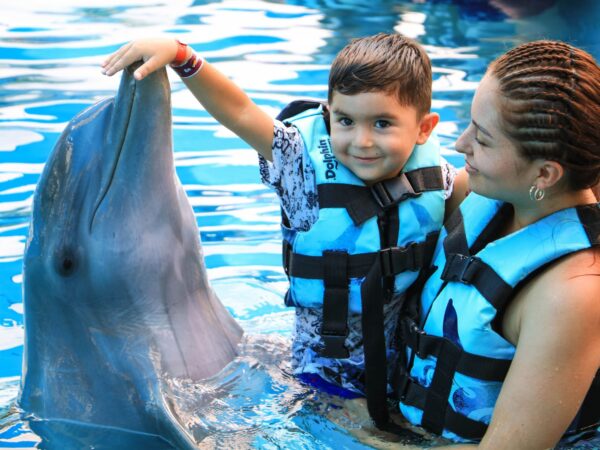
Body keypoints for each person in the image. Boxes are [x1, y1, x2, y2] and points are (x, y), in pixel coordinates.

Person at [102, 33, 467, 429]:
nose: (361, 141)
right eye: (345, 121)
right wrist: (181, 56)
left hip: (405, 372)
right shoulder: (302, 169)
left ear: (424, 128)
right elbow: (240, 112)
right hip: (325, 381)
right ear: (330, 115)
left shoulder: (437, 180)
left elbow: (496, 190)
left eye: (382, 123)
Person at [393, 40, 600, 448]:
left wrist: (366, 434)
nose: (459, 144)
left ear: (544, 173)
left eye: (483, 140)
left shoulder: (572, 293)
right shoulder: (489, 195)